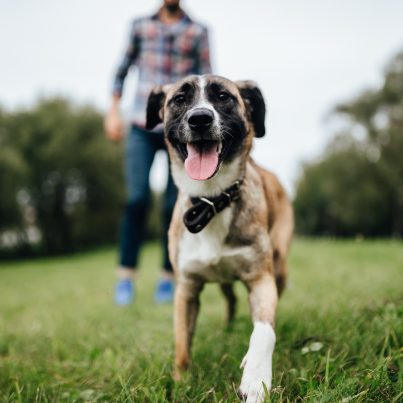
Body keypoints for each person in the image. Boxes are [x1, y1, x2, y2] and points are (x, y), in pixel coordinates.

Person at [104, 0, 212, 305]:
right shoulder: (140, 26)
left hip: (181, 129)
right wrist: (113, 112)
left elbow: (207, 78)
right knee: (136, 199)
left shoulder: (198, 31)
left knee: (172, 205)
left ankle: (167, 278)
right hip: (141, 123)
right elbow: (121, 71)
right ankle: (125, 277)